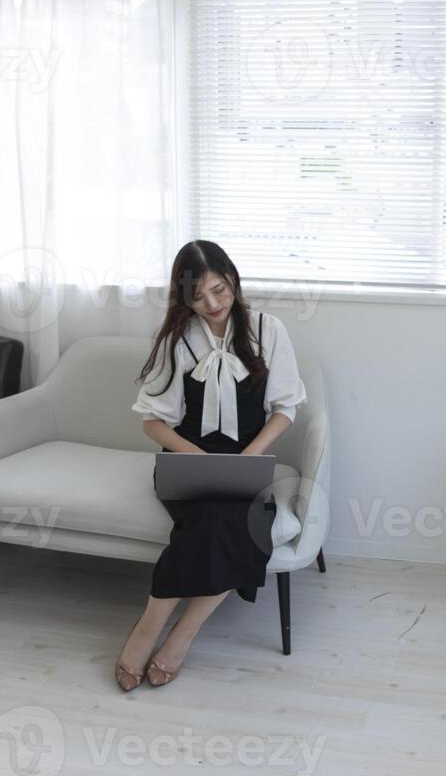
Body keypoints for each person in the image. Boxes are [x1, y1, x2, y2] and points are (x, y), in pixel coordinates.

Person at [116, 240, 306, 691]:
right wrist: (196, 457)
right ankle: (149, 629)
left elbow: (286, 408)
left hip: (248, 456)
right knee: (209, 517)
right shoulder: (177, 339)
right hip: (187, 457)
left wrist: (250, 456)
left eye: (220, 290)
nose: (213, 304)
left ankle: (180, 634)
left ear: (234, 280)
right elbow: (153, 423)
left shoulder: (268, 329)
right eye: (198, 297)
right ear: (184, 299)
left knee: (240, 519)